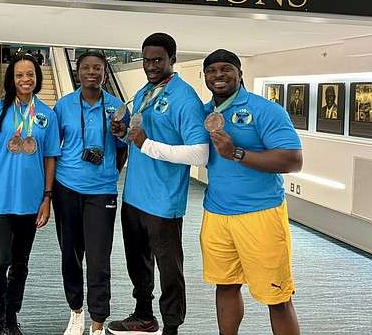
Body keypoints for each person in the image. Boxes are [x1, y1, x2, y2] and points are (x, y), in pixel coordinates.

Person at [108, 33, 209, 335]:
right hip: (135, 195)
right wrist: (123, 132)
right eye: (146, 60)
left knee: (169, 269)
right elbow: (137, 137)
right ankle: (143, 316)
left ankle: (171, 327)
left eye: (157, 60)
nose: (151, 66)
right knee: (137, 263)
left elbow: (200, 153)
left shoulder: (185, 98)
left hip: (164, 200)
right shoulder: (143, 93)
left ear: (172, 60)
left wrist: (147, 144)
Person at [200, 49, 303, 335]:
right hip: (217, 214)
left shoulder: (265, 109)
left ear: (239, 73)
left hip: (261, 215)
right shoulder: (204, 112)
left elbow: (293, 161)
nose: (218, 75)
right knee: (226, 284)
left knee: (277, 297)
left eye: (226, 69)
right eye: (211, 70)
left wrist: (236, 152)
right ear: (205, 76)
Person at [0, 54, 61, 335]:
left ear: (37, 77)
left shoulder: (48, 115)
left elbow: (50, 158)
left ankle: (12, 316)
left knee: (21, 263)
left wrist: (47, 199)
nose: (25, 79)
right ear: (11, 79)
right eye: (19, 75)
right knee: (1, 261)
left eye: (30, 74)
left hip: (31, 200)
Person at [52, 51, 128, 335]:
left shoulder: (118, 107)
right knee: (70, 255)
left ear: (105, 73)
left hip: (102, 192)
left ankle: (98, 322)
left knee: (98, 258)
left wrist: (108, 173)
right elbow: (53, 147)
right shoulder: (63, 106)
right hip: (67, 188)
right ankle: (76, 311)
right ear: (78, 72)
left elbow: (122, 149)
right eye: (86, 67)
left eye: (97, 67)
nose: (91, 72)